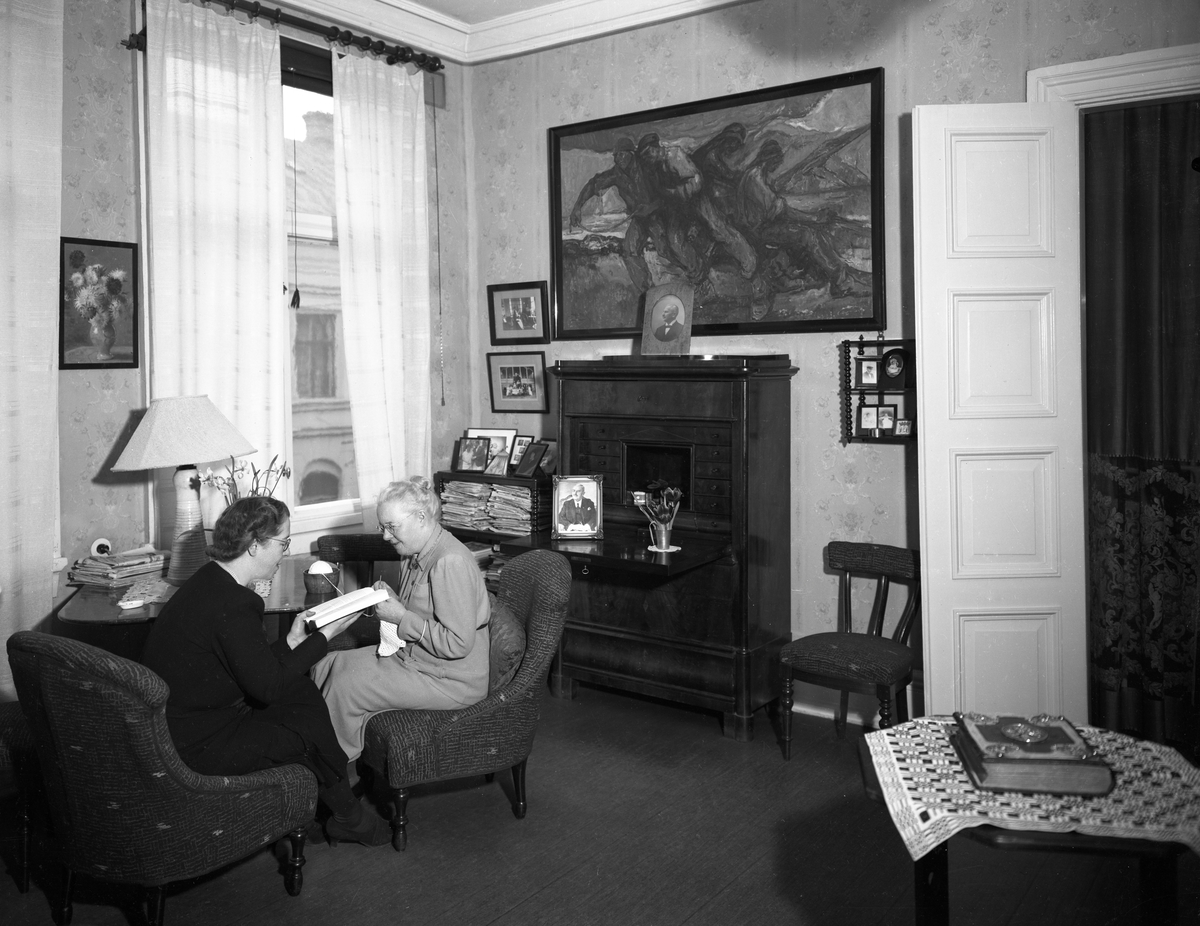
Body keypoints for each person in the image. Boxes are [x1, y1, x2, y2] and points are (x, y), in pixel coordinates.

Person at [141, 496, 390, 847]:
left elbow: (250, 667)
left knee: (302, 692)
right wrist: (325, 636)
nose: (285, 553)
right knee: (301, 732)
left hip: (191, 721)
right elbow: (267, 688)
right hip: (198, 743)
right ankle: (347, 814)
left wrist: (292, 640)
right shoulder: (235, 604)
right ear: (255, 545)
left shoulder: (210, 580)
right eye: (283, 543)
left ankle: (335, 806)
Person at [310, 477, 491, 771]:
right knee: (328, 664)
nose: (385, 536)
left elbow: (458, 643)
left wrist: (400, 616)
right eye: (382, 527)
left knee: (345, 686)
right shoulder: (415, 551)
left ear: (421, 518)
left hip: (452, 680)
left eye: (392, 527)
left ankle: (331, 774)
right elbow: (423, 611)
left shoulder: (449, 562)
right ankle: (318, 753)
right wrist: (394, 601)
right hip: (420, 660)